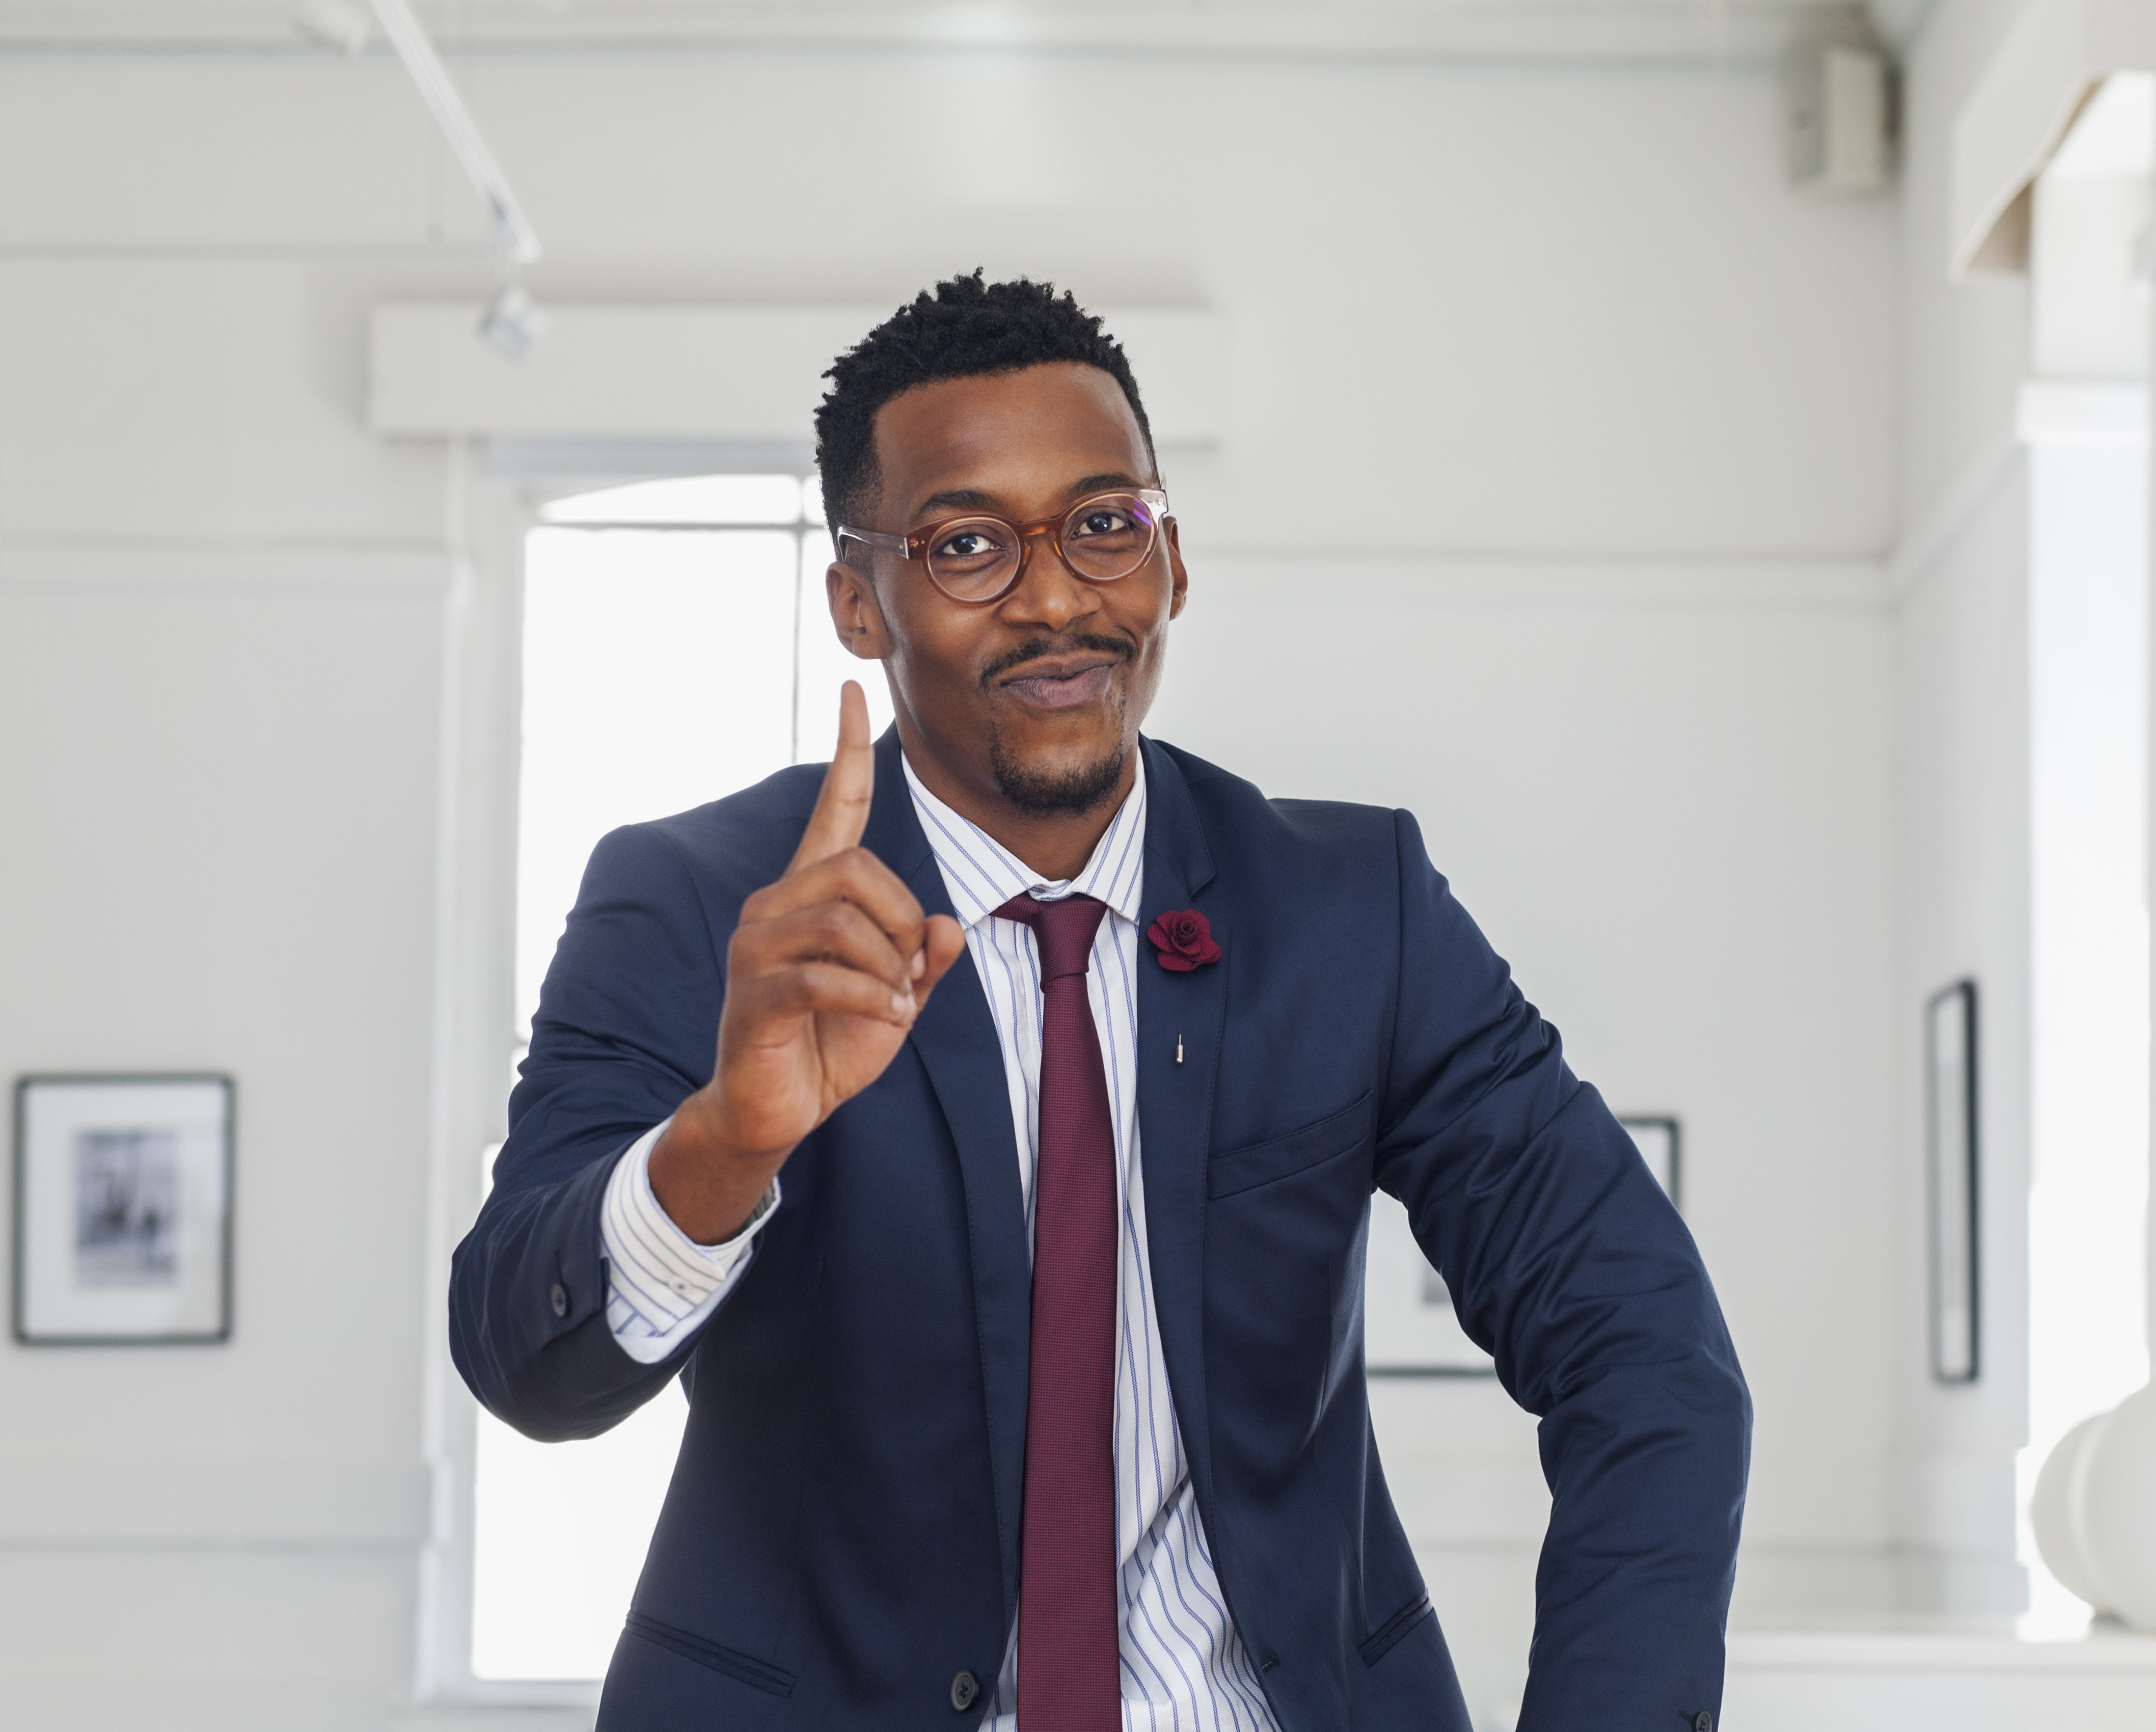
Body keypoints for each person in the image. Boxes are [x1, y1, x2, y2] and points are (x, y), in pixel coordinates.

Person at [451, 273, 1749, 1732]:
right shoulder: (705, 907)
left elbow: (1646, 1351)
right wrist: (723, 1144)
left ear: (1171, 559)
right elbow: (526, 1365)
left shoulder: (1351, 910)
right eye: (966, 546)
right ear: (858, 606)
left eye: (1103, 524)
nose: (1057, 597)